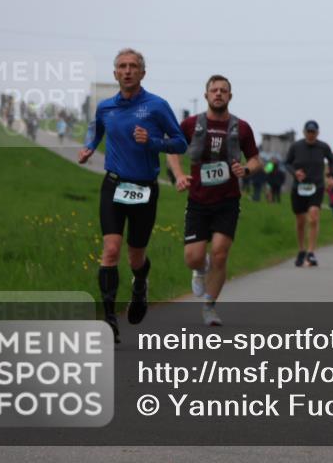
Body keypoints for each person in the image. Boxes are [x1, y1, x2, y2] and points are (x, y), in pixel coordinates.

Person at [79, 48, 188, 343]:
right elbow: (96, 130)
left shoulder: (157, 106)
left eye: (133, 66)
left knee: (135, 256)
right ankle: (110, 319)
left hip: (144, 189)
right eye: (121, 67)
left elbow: (180, 144)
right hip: (114, 185)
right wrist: (90, 146)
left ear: (142, 72)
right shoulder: (105, 108)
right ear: (115, 73)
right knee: (111, 250)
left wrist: (152, 141)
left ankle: (140, 284)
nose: (127, 71)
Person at [167, 75, 261, 326]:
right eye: (214, 90)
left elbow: (255, 159)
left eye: (223, 90)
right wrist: (178, 175)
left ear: (230, 96)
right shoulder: (189, 124)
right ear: (206, 95)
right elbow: (172, 150)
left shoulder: (241, 128)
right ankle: (200, 269)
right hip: (198, 200)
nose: (218, 94)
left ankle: (209, 306)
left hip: (227, 200)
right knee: (194, 258)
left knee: (220, 254)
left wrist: (247, 170)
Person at [286, 120, 333, 267]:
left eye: (313, 132)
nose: (311, 134)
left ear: (317, 133)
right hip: (299, 188)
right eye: (308, 131)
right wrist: (295, 173)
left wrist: (329, 175)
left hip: (317, 187)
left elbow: (332, 161)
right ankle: (301, 250)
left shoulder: (323, 147)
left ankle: (311, 252)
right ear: (304, 132)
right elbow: (286, 163)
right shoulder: (296, 146)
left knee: (313, 217)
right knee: (301, 221)